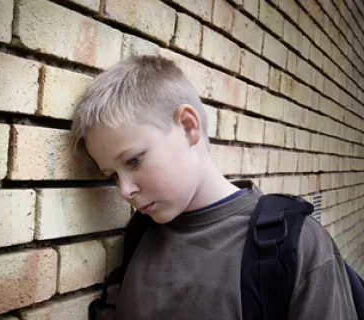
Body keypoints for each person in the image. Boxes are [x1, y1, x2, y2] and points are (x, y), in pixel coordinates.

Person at [70, 55, 357, 319]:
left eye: (133, 161)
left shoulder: (295, 244)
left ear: (188, 126)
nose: (124, 191)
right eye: (112, 176)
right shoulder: (139, 234)